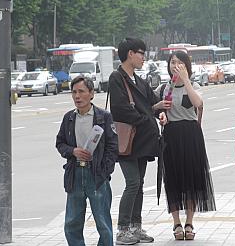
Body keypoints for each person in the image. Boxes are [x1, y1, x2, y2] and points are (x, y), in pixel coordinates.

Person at [108, 37, 167, 245]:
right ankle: (123, 230)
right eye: (141, 53)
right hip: (127, 140)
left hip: (142, 141)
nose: (144, 57)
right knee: (132, 183)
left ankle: (136, 226)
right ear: (130, 54)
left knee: (139, 184)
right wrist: (148, 115)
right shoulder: (116, 78)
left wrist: (159, 109)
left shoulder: (139, 80)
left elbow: (152, 102)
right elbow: (121, 110)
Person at [155, 51, 216, 240]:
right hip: (171, 135)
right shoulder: (164, 88)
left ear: (187, 66)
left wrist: (185, 80)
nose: (176, 66)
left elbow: (198, 102)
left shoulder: (194, 85)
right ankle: (176, 223)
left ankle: (189, 222)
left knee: (191, 178)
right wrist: (160, 114)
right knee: (173, 179)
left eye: (180, 63)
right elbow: (154, 110)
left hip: (191, 136)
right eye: (173, 62)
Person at [56, 76, 118, 246]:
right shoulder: (69, 118)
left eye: (81, 91)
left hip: (97, 175)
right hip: (75, 174)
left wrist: (104, 170)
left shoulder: (103, 117)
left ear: (91, 93)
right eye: (74, 92)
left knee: (103, 221)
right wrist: (73, 151)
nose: (77, 96)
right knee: (72, 222)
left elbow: (113, 146)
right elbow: (60, 143)